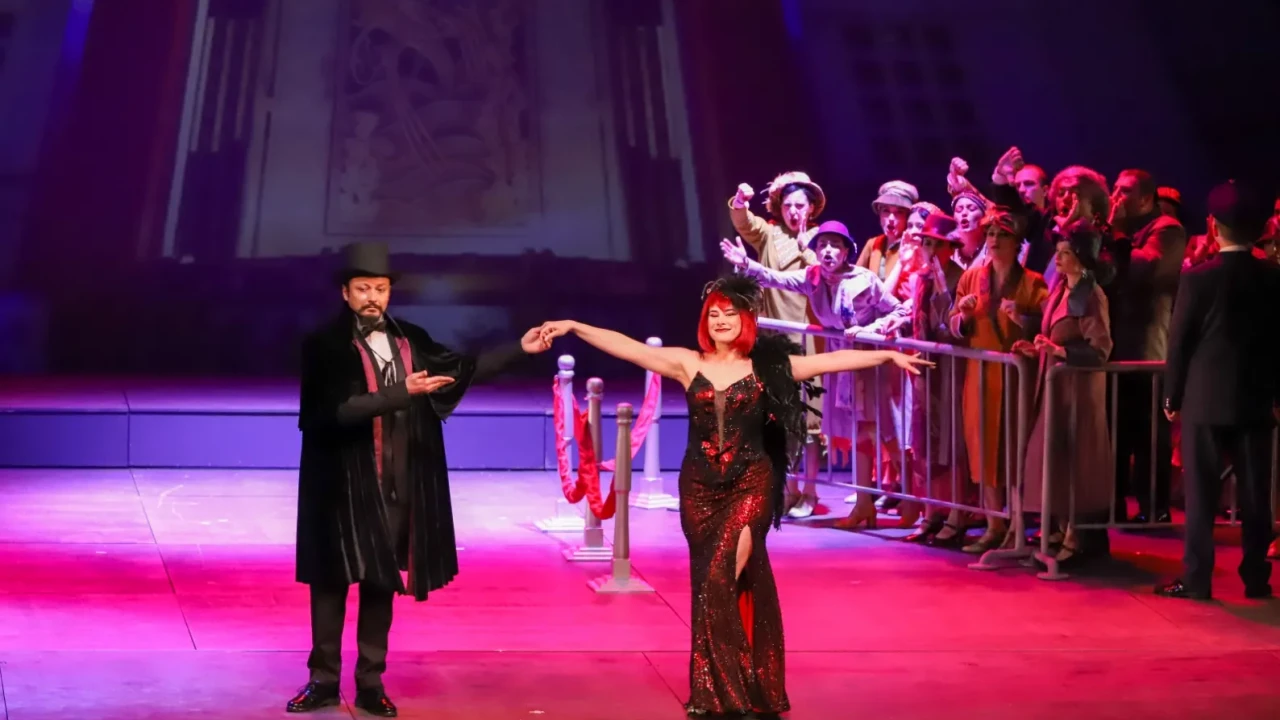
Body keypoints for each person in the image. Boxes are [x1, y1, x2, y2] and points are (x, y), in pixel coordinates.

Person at [533, 277, 929, 718]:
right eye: (714, 315)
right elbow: (626, 347)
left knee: (720, 577)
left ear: (746, 320)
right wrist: (572, 325)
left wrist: (887, 354)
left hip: (751, 485)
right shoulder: (687, 362)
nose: (721, 321)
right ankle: (717, 689)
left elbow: (832, 360)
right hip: (699, 490)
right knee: (710, 583)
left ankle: (732, 690)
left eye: (729, 314)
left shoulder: (768, 367)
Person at [288, 242, 545, 716]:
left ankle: (370, 682)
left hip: (395, 478)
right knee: (330, 582)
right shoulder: (324, 345)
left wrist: (518, 350)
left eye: (380, 289)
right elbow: (328, 414)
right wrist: (399, 392)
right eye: (363, 288)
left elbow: (460, 371)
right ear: (345, 293)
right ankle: (322, 680)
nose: (372, 297)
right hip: (340, 484)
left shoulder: (410, 339)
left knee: (381, 580)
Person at [721, 221, 912, 529]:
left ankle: (914, 502)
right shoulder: (813, 277)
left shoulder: (863, 280)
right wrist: (746, 264)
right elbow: (776, 278)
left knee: (885, 432)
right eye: (822, 245)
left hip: (870, 362)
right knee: (860, 432)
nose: (828, 251)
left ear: (847, 251)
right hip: (843, 361)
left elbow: (900, 309)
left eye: (835, 245)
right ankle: (864, 504)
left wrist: (871, 329)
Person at [1157, 181, 1280, 601]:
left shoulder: (1198, 278)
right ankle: (1257, 578)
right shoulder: (1273, 277)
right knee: (1256, 496)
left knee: (1201, 496)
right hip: (1256, 400)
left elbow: (1180, 342)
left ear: (1212, 226)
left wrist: (1171, 396)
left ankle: (1197, 579)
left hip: (1204, 400)